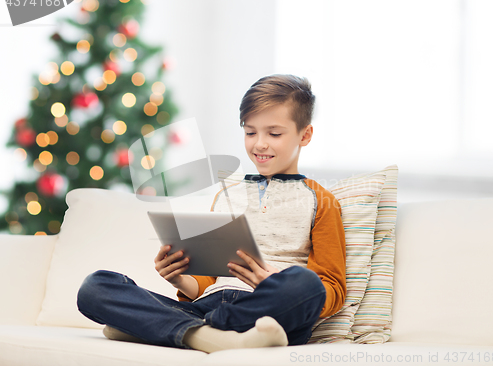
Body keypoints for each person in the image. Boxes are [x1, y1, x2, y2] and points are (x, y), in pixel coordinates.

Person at [77, 74, 346, 353]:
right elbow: (210, 279)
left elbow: (332, 289)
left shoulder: (321, 200)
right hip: (207, 306)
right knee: (96, 287)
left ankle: (170, 328)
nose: (259, 144)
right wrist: (180, 278)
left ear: (305, 135)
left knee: (306, 285)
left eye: (274, 133)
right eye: (250, 132)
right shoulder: (226, 194)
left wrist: (274, 282)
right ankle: (210, 335)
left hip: (268, 312)